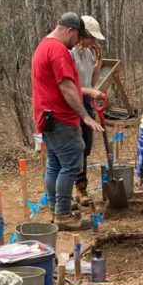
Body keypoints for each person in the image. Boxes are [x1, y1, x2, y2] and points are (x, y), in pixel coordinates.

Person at [31, 12, 103, 230]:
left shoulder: (44, 46)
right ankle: (63, 215)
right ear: (70, 31)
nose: (78, 41)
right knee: (72, 162)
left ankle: (56, 208)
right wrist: (84, 116)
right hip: (60, 117)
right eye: (77, 36)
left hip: (47, 117)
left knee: (54, 164)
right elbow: (68, 88)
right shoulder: (58, 51)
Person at [70, 15, 107, 208]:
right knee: (74, 147)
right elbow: (69, 86)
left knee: (85, 147)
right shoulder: (70, 54)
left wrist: (98, 61)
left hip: (86, 101)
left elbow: (91, 82)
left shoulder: (88, 54)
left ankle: (81, 187)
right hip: (72, 102)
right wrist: (90, 92)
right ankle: (71, 189)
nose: (94, 42)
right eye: (92, 38)